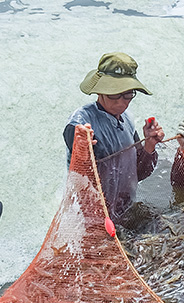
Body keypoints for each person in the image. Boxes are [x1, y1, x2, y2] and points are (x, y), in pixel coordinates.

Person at [64, 52, 165, 223]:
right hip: (90, 216)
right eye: (114, 93)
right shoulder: (81, 121)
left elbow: (137, 174)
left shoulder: (127, 120)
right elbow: (73, 138)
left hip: (125, 208)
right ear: (100, 91)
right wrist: (81, 146)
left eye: (128, 94)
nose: (121, 102)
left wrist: (149, 145)